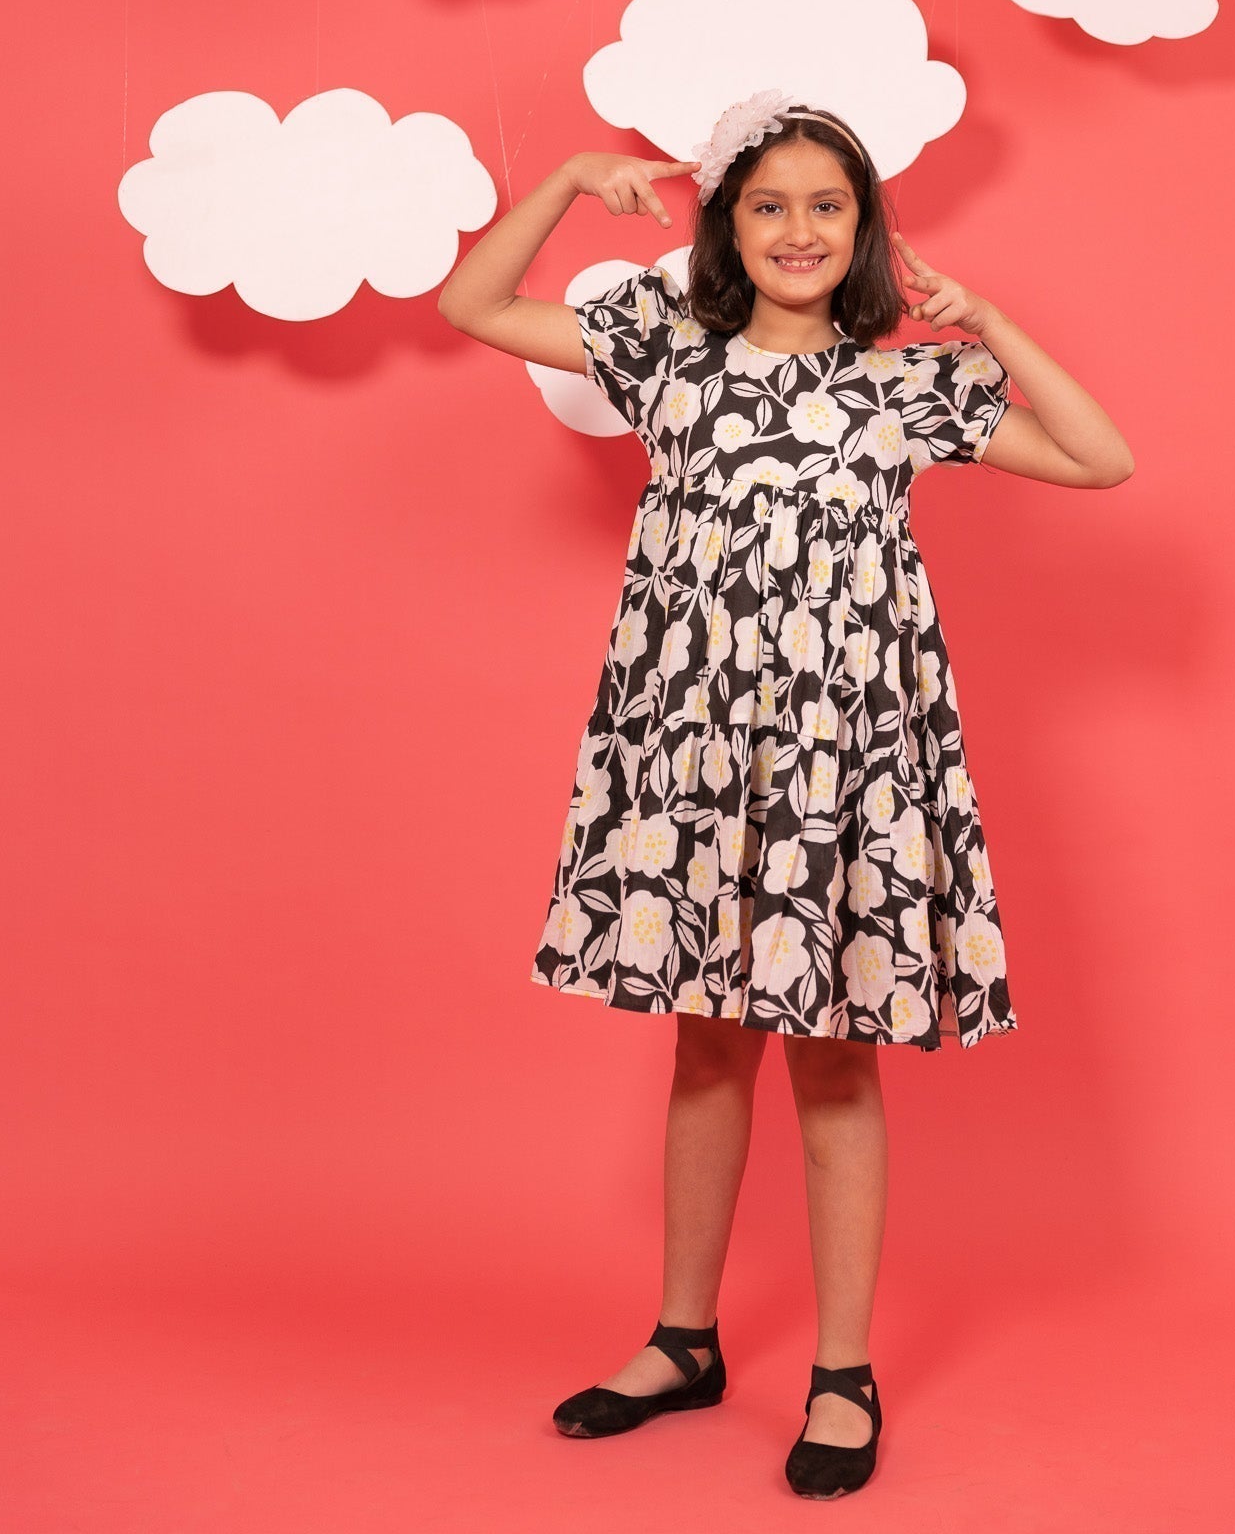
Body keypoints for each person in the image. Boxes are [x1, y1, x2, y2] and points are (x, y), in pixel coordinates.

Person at [438, 94, 1134, 1500]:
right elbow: (474, 304)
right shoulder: (667, 356)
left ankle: (842, 1372)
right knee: (705, 1045)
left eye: (827, 204)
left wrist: (991, 323)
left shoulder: (898, 386)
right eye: (768, 205)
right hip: (695, 755)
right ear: (727, 227)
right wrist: (567, 178)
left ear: (864, 228)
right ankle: (682, 1341)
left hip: (842, 766)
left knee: (832, 1054)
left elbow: (1096, 455)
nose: (798, 229)